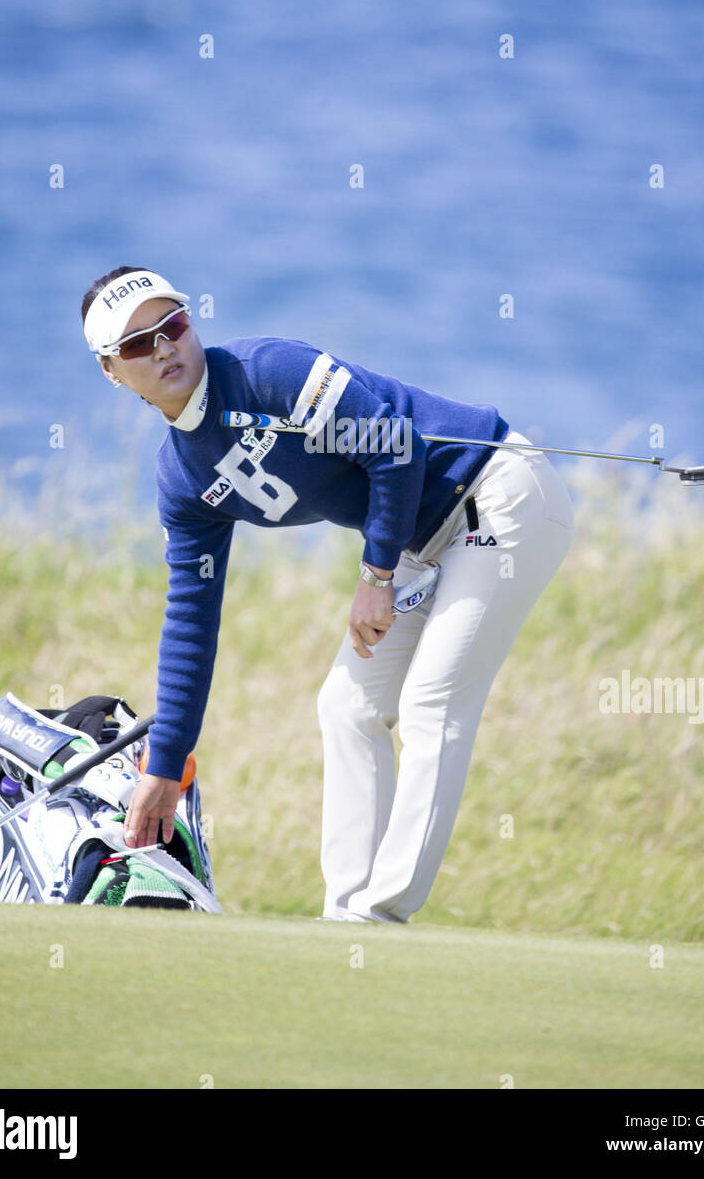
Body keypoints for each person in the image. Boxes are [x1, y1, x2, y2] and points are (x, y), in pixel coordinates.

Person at [81, 265, 575, 923]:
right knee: (345, 706)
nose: (164, 345)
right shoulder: (182, 478)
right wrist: (164, 765)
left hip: (499, 494)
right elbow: (191, 621)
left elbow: (393, 446)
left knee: (431, 703)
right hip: (417, 543)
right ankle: (344, 919)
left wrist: (374, 577)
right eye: (137, 343)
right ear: (112, 372)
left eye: (171, 325)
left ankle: (380, 915)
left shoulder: (268, 372)